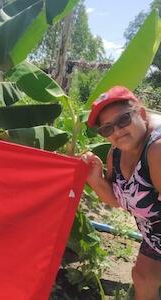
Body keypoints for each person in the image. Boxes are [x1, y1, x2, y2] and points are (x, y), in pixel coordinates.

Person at [82, 86, 161, 300]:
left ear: (141, 114)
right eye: (107, 129)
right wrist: (95, 179)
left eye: (123, 120)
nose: (116, 131)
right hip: (155, 233)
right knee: (143, 278)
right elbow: (117, 201)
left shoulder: (157, 150)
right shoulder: (116, 153)